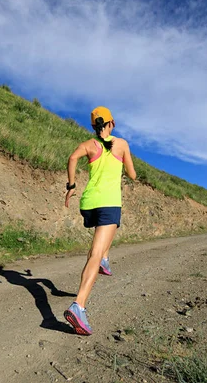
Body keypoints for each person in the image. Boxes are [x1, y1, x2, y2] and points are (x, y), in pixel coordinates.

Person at [63, 106, 137, 335]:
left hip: (88, 204)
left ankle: (104, 259)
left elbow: (72, 158)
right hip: (109, 203)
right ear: (111, 123)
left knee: (100, 244)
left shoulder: (88, 145)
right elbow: (133, 175)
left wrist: (71, 185)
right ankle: (79, 305)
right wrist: (124, 169)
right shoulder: (122, 144)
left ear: (94, 125)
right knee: (96, 251)